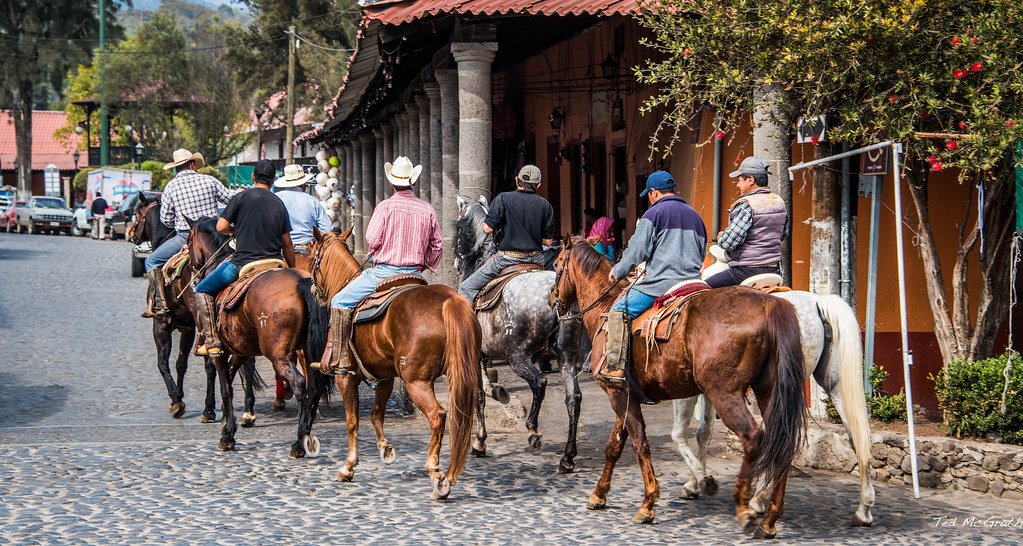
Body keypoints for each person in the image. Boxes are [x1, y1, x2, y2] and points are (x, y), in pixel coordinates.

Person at [317, 156, 442, 375]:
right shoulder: (427, 209)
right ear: (413, 181)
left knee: (339, 300)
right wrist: (425, 266)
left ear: (392, 183)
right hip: (415, 275)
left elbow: (372, 239)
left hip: (384, 273)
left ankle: (339, 358)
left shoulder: (385, 207)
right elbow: (437, 245)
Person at [599, 170, 707, 382]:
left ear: (654, 193)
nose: (649, 199)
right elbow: (702, 251)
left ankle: (615, 368)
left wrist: (618, 270)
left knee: (618, 310)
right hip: (694, 284)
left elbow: (637, 251)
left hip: (661, 285)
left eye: (648, 194)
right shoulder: (695, 215)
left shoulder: (653, 214)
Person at [192, 160, 296, 356]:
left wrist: (235, 230)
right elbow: (287, 244)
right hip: (275, 263)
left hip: (243, 264)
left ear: (253, 177)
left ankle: (212, 340)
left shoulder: (241, 197)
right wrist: (291, 269)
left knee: (202, 288)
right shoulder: (278, 202)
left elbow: (220, 227)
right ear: (274, 180)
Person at [141, 148, 236, 318]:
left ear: (176, 168)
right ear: (192, 164)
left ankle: (160, 303)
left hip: (186, 237)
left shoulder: (170, 186)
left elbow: (166, 220)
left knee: (151, 261)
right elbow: (231, 200)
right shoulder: (210, 180)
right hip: (215, 239)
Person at [458, 165, 555, 302]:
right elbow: (548, 242)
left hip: (507, 260)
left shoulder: (503, 199)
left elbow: (486, 229)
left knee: (466, 288)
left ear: (516, 180)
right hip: (535, 260)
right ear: (538, 185)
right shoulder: (545, 205)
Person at [704, 156, 787, 288]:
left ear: (750, 180)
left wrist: (721, 237)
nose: (737, 185)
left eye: (739, 180)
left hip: (745, 271)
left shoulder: (747, 205)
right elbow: (782, 234)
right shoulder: (778, 201)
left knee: (702, 289)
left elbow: (729, 242)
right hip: (774, 269)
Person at [274, 164, 333, 270]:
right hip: (307, 252)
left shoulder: (275, 199)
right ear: (303, 184)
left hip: (279, 253)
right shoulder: (312, 201)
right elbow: (327, 230)